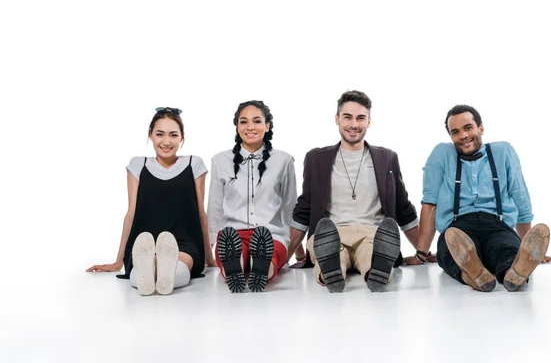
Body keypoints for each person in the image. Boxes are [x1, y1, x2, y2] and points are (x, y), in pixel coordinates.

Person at [414, 104, 551, 292]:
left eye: (468, 128)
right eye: (455, 132)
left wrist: (529, 246)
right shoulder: (442, 154)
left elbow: (520, 197)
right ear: (451, 137)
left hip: (497, 226)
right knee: (450, 252)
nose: (463, 136)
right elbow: (430, 204)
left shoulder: (503, 152)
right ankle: (472, 273)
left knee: (506, 248)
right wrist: (421, 253)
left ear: (481, 128)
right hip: (458, 230)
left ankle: (513, 272)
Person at [286, 90, 420, 293]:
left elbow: (403, 209)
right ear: (337, 119)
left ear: (369, 121)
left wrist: (423, 251)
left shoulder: (387, 158)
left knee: (372, 253)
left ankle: (375, 272)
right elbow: (303, 210)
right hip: (329, 234)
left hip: (373, 233)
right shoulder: (316, 159)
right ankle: (333, 271)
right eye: (347, 117)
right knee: (330, 254)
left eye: (361, 118)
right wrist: (282, 258)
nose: (354, 125)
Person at [86, 107, 215, 295]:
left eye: (173, 135)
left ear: (182, 138)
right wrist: (118, 261)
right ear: (150, 135)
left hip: (184, 242)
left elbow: (201, 213)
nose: (166, 142)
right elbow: (131, 213)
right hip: (143, 243)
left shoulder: (193, 164)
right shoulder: (139, 165)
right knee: (146, 263)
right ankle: (152, 273)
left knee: (179, 264)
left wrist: (209, 258)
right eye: (160, 134)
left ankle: (158, 276)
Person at [208, 101, 298, 293]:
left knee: (270, 254)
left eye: (257, 121)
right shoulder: (220, 161)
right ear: (237, 127)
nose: (250, 127)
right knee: (233, 253)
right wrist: (210, 247)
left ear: (267, 126)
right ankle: (235, 267)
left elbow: (290, 206)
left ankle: (262, 269)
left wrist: (298, 249)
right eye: (244, 122)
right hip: (231, 234)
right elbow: (214, 207)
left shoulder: (284, 160)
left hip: (270, 234)